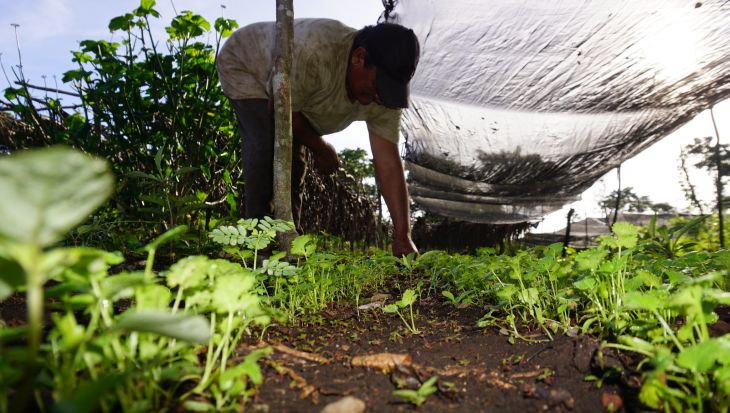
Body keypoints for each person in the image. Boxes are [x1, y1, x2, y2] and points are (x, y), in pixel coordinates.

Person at [216, 18, 419, 257]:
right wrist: (322, 149)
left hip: (297, 97)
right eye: (377, 86)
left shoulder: (384, 97)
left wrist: (402, 235)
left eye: (388, 91)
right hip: (247, 63)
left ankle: (287, 242)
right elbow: (282, 111)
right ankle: (259, 245)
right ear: (359, 58)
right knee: (269, 145)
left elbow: (389, 164)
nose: (379, 97)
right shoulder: (316, 50)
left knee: (293, 161)